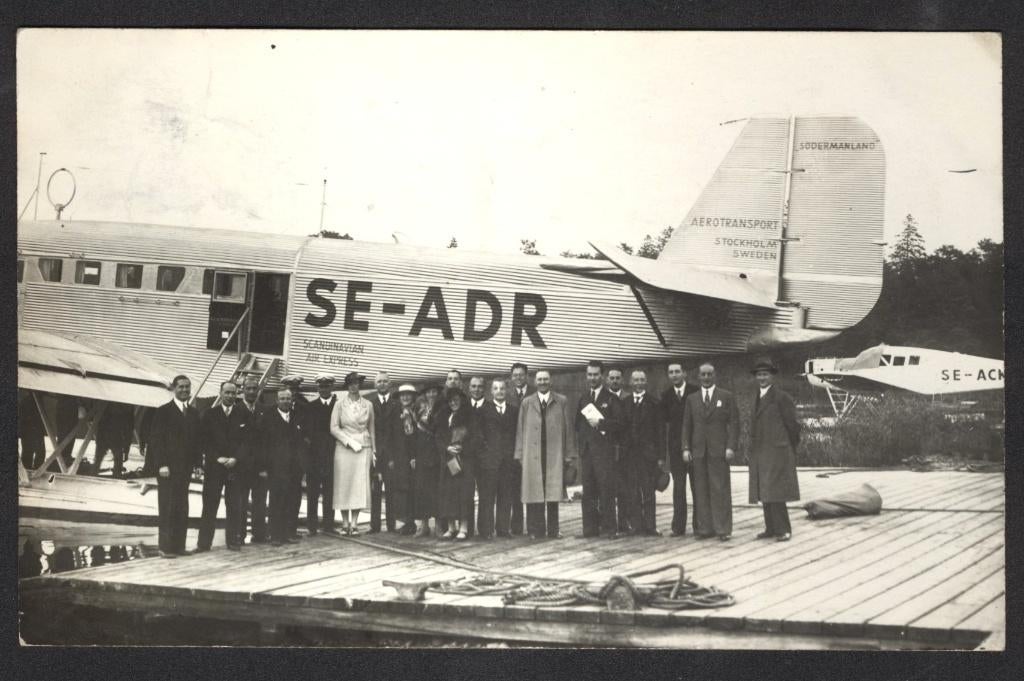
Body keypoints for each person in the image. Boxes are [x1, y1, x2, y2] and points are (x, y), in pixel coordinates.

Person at [515, 369, 576, 539]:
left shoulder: (561, 401)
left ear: (551, 382)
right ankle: (535, 530)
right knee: (534, 492)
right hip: (532, 453)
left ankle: (554, 529)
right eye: (539, 379)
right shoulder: (527, 403)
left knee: (552, 493)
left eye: (545, 379)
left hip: (553, 453)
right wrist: (519, 453)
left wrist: (569, 453)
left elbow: (568, 429)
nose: (542, 382)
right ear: (535, 382)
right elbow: (520, 430)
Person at [682, 363, 739, 541]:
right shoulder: (692, 399)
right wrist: (685, 448)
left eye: (709, 374)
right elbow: (686, 426)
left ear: (715, 376)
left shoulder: (726, 396)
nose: (706, 378)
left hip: (719, 451)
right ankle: (705, 528)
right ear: (698, 377)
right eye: (703, 375)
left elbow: (735, 424)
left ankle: (723, 529)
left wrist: (730, 447)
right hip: (699, 452)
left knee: (720, 490)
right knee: (700, 490)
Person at [147, 375, 201, 558]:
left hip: (184, 469)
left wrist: (198, 464)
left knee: (182, 507)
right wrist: (161, 464)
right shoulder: (163, 412)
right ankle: (165, 547)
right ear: (173, 388)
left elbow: (195, 442)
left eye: (187, 387)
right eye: (181, 387)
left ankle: (179, 546)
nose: (185, 390)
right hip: (167, 469)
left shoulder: (193, 413)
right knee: (167, 507)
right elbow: (156, 441)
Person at [748, 357, 801, 542]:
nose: (762, 378)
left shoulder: (781, 397)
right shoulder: (757, 396)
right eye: (759, 375)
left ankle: (784, 529)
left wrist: (788, 447)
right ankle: (770, 528)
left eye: (765, 374)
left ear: (772, 376)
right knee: (765, 490)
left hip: (778, 450)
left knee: (776, 491)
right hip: (762, 451)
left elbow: (793, 425)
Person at [196, 381, 249, 551]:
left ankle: (233, 541)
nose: (230, 396)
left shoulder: (243, 414)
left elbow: (247, 442)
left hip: (235, 468)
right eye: (227, 392)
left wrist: (236, 458)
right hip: (214, 468)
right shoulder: (210, 414)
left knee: (234, 506)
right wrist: (216, 458)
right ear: (221, 393)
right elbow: (204, 440)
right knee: (210, 506)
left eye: (233, 393)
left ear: (237, 394)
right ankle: (204, 543)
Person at [575, 360, 625, 539]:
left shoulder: (611, 398)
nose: (593, 378)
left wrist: (601, 423)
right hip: (587, 452)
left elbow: (620, 425)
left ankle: (610, 529)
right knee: (588, 491)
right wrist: (582, 447)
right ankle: (589, 529)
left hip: (604, 453)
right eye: (589, 375)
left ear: (602, 376)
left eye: (596, 374)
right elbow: (578, 424)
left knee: (606, 490)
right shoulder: (583, 398)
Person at [330, 371, 376, 535]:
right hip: (344, 447)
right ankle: (344, 523)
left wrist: (374, 450)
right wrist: (349, 441)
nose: (353, 386)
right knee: (344, 484)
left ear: (359, 385)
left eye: (356, 383)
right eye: (350, 383)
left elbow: (372, 428)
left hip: (363, 447)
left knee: (358, 485)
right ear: (347, 386)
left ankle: (354, 524)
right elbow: (334, 428)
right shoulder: (339, 405)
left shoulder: (368, 405)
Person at [261, 388, 307, 546]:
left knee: (293, 500)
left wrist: (302, 465)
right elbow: (263, 444)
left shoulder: (297, 417)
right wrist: (264, 467)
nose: (286, 401)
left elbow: (302, 443)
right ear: (277, 400)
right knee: (276, 501)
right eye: (283, 398)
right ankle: (275, 535)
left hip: (294, 468)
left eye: (288, 398)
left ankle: (290, 532)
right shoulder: (268, 417)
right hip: (276, 468)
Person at [659, 361, 699, 537]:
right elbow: (664, 424)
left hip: (695, 447)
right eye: (671, 372)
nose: (674, 375)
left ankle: (700, 525)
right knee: (679, 488)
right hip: (676, 449)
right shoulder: (666, 396)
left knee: (697, 487)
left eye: (677, 371)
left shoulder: (695, 391)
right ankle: (678, 527)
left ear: (684, 373)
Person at [436, 388, 481, 540]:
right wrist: (447, 447)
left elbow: (476, 438)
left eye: (456, 400)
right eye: (450, 401)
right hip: (448, 460)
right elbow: (438, 437)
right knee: (448, 494)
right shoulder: (443, 416)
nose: (453, 403)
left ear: (462, 400)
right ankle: (451, 527)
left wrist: (463, 448)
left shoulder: (470, 416)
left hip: (465, 460)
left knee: (464, 494)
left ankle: (464, 528)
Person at [622, 369, 663, 536]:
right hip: (630, 455)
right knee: (632, 490)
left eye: (641, 380)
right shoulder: (625, 403)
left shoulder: (654, 403)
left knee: (648, 490)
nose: (638, 383)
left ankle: (650, 526)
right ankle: (637, 525)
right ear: (631, 383)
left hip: (648, 455)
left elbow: (660, 431)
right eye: (635, 380)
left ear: (646, 382)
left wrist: (661, 456)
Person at [478, 378, 519, 539]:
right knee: (487, 496)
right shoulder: (483, 410)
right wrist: (485, 455)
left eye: (502, 389)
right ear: (491, 392)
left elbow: (517, 434)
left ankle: (503, 529)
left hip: (508, 461)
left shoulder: (513, 411)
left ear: (506, 391)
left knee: (506, 495)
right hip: (490, 461)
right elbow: (479, 435)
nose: (500, 391)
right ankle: (486, 530)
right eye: (496, 389)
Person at [306, 374, 338, 535]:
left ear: (331, 387)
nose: (324, 389)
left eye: (327, 386)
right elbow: (308, 433)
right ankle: (312, 526)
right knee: (312, 493)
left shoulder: (338, 406)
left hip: (333, 456)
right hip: (315, 458)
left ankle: (328, 525)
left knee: (330, 492)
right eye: (321, 387)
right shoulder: (311, 407)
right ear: (318, 388)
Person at [237, 377, 268, 543]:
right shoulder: (236, 410)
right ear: (242, 390)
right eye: (248, 388)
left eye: (254, 389)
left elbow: (268, 441)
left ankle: (259, 534)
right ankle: (239, 534)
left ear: (258, 391)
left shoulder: (264, 410)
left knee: (260, 501)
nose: (251, 392)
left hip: (259, 466)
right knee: (240, 501)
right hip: (241, 466)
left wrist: (265, 466)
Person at [411, 384, 443, 537]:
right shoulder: (419, 410)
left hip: (437, 454)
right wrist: (414, 455)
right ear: (425, 394)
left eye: (434, 391)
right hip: (422, 453)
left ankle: (438, 526)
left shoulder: (442, 409)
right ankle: (423, 526)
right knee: (422, 490)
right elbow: (414, 435)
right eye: (429, 392)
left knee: (437, 490)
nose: (432, 394)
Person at [388, 384, 420, 535]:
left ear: (413, 397)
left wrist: (415, 456)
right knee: (402, 489)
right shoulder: (395, 413)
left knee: (413, 489)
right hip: (399, 456)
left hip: (414, 456)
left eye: (408, 395)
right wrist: (391, 458)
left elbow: (419, 436)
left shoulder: (418, 411)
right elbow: (391, 436)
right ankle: (406, 522)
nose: (405, 398)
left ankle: (412, 521)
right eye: (403, 395)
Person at [370, 371, 397, 533]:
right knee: (375, 491)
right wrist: (374, 452)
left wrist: (393, 456)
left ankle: (391, 525)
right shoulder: (370, 404)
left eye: (385, 381)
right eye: (379, 382)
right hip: (375, 453)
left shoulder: (396, 404)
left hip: (391, 455)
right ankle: (375, 525)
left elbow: (398, 434)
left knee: (392, 491)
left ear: (390, 384)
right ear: (375, 385)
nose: (382, 384)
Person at [93, 401, 135, 478]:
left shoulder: (106, 404)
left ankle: (94, 472)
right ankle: (116, 474)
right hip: (115, 433)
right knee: (117, 460)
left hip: (105, 431)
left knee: (98, 460)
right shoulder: (127, 405)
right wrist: (126, 447)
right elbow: (129, 426)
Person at [18, 390, 47, 471]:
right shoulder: (33, 401)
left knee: (31, 452)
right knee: (33, 452)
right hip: (31, 431)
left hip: (31, 431)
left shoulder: (25, 401)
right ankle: (33, 470)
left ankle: (29, 470)